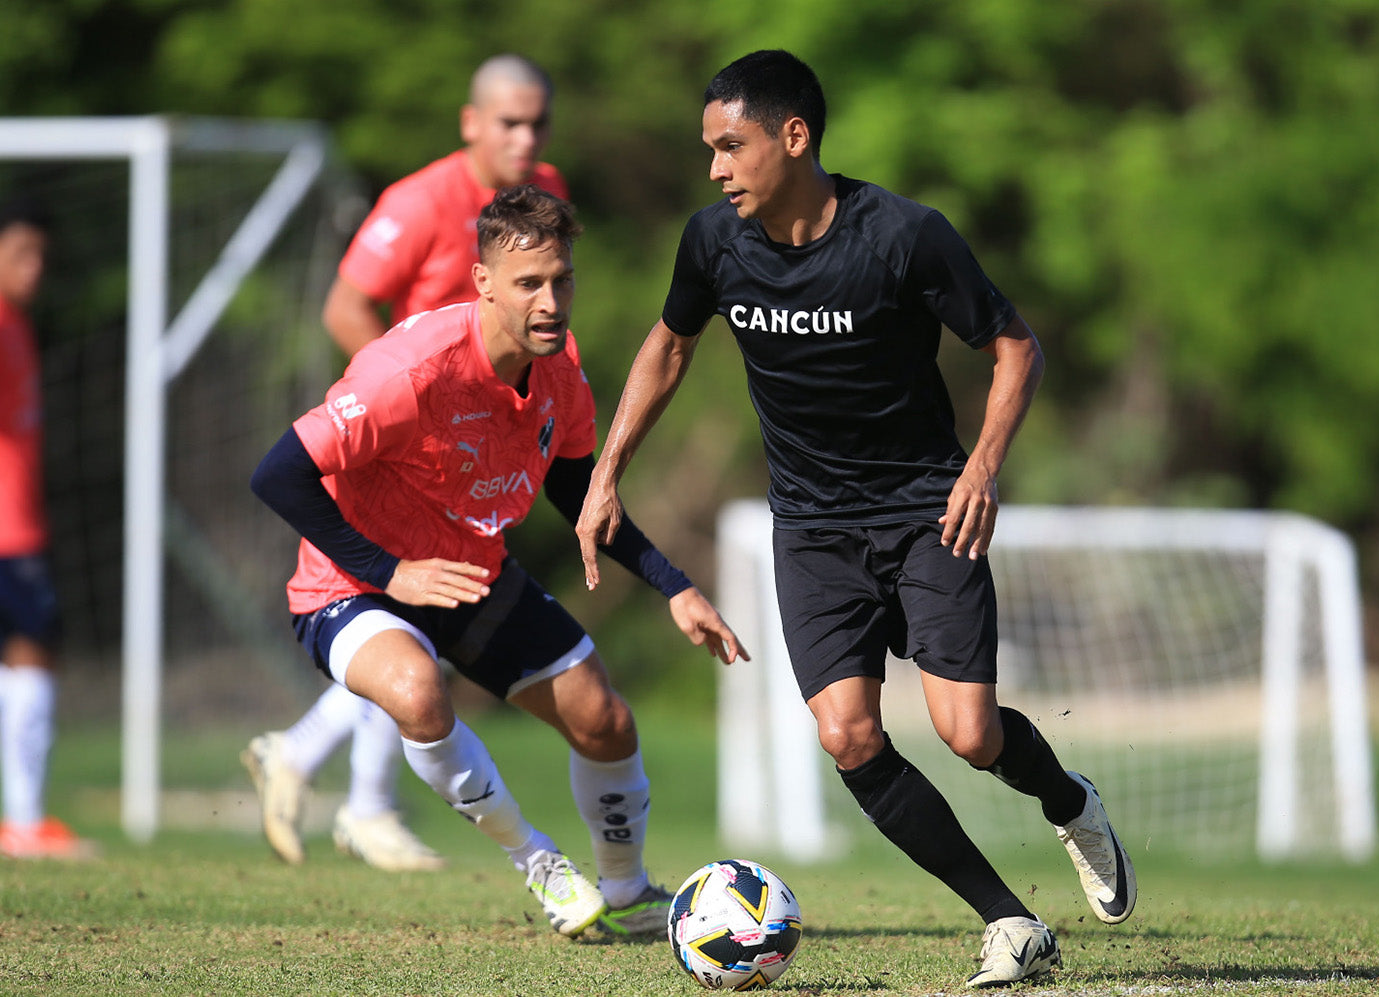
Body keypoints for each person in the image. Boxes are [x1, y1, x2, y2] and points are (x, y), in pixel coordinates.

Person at [576, 50, 1136, 985]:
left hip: (928, 511)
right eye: (709, 149)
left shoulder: (905, 236)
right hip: (812, 529)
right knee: (848, 736)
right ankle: (1009, 922)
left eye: (731, 146)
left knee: (969, 734)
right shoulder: (714, 243)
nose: (715, 168)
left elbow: (1014, 347)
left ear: (794, 137)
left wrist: (985, 467)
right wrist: (606, 475)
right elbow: (667, 347)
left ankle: (1070, 800)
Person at [251, 184, 745, 938]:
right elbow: (278, 471)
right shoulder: (409, 372)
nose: (551, 302)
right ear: (482, 282)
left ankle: (626, 888)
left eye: (562, 279)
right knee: (418, 693)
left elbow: (578, 489)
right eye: (529, 284)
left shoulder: (557, 367)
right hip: (349, 582)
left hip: (466, 569)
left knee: (604, 718)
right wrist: (388, 572)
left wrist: (672, 586)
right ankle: (537, 860)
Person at [242, 53, 570, 873]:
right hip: (403, 442)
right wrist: (422, 404)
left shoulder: (543, 196)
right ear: (471, 123)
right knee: (401, 620)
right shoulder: (419, 202)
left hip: (477, 444)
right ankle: (362, 799)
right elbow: (345, 306)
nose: (526, 139)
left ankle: (331, 779)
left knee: (418, 634)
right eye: (509, 122)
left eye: (538, 122)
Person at [0, 198, 97, 860]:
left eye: (41, 257)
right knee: (32, 657)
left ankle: (24, 818)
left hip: (22, 527)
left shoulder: (17, 324)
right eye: (21, 254)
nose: (34, 269)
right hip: (7, 535)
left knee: (29, 660)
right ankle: (26, 820)